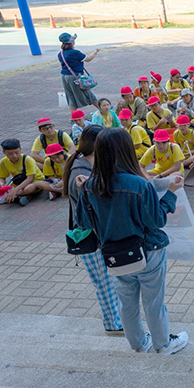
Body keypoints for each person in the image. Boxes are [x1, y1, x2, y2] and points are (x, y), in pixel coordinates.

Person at [76, 128, 187, 354]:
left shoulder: (90, 185)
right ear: (127, 150)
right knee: (153, 302)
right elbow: (155, 220)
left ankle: (137, 344)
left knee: (126, 303)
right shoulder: (139, 184)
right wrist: (172, 193)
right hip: (148, 252)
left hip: (114, 255)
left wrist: (82, 189)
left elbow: (84, 223)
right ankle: (163, 344)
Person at [62, 125, 123, 334]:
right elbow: (91, 211)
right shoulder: (81, 172)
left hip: (94, 236)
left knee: (106, 282)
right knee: (106, 284)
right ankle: (113, 325)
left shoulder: (85, 166)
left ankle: (115, 320)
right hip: (93, 238)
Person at [0, 139, 43, 206]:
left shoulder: (28, 160)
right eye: (10, 154)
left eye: (16, 152)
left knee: (29, 188)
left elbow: (30, 179)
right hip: (17, 183)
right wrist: (1, 184)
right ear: (4, 152)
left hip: (33, 181)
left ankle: (3, 197)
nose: (14, 155)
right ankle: (14, 198)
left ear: (20, 149)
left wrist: (14, 191)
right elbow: (1, 178)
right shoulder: (3, 162)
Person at [57, 32, 99, 112]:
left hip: (64, 76)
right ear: (71, 42)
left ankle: (73, 116)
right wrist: (95, 52)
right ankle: (102, 109)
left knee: (70, 96)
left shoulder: (60, 54)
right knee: (88, 93)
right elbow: (88, 59)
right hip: (75, 76)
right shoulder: (75, 52)